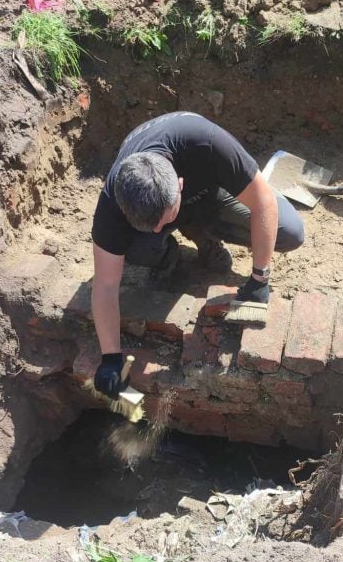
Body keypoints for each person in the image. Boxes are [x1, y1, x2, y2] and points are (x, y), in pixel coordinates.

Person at [91, 111, 304, 398]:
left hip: (208, 195)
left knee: (289, 231)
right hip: (169, 201)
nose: (157, 229)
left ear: (179, 184)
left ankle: (203, 233)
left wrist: (259, 278)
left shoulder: (205, 142)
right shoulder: (113, 202)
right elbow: (105, 284)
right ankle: (171, 255)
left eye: (164, 222)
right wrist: (110, 360)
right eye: (150, 226)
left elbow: (263, 201)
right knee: (140, 248)